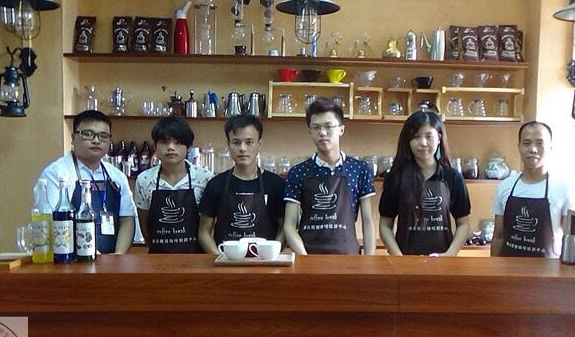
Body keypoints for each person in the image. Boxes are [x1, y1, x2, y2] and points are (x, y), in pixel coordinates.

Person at [283, 97, 376, 255]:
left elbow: (368, 222)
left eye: (328, 126)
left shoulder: (360, 169)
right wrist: (305, 259)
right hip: (309, 256)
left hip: (349, 256)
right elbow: (289, 225)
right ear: (309, 131)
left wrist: (369, 261)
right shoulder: (298, 172)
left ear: (341, 129)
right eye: (316, 127)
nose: (322, 133)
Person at [36, 110, 135, 253]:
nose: (96, 140)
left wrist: (118, 256)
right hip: (70, 259)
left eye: (103, 136)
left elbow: (127, 219)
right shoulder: (56, 173)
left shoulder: (117, 176)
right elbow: (51, 222)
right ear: (73, 138)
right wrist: (92, 255)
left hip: (112, 262)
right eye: (88, 134)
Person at [379, 110, 471, 256]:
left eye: (429, 136)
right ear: (408, 141)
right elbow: (385, 225)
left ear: (439, 138)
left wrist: (450, 254)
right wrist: (398, 257)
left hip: (443, 261)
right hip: (405, 260)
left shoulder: (453, 177)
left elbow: (463, 224)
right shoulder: (396, 178)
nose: (423, 143)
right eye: (416, 136)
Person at [198, 115, 285, 251]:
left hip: (266, 260)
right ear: (228, 145)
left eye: (249, 142)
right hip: (225, 260)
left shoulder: (276, 184)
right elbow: (204, 232)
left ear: (259, 144)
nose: (242, 148)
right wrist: (219, 257)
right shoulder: (216, 184)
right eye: (236, 142)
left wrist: (272, 253)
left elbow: (284, 228)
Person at [491, 121, 571, 258]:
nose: (533, 149)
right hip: (508, 268)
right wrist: (493, 267)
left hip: (548, 269)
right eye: (526, 143)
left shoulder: (563, 188)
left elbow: (570, 237)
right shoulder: (505, 186)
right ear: (519, 147)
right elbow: (498, 235)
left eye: (540, 143)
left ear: (550, 147)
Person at [134, 117, 212, 253]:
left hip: (197, 258)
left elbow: (210, 225)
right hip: (158, 259)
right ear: (155, 146)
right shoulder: (144, 179)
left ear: (188, 147)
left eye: (178, 143)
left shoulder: (205, 178)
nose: (171, 147)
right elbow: (144, 223)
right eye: (164, 142)